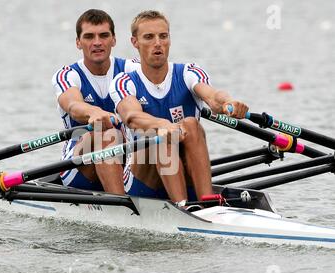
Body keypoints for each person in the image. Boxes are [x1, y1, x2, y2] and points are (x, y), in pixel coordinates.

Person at [110, 10, 248, 205]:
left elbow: (213, 96)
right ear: (135, 42)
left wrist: (228, 103)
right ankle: (182, 207)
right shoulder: (124, 81)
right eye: (149, 37)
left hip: (184, 170)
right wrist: (163, 125)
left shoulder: (188, 73)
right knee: (159, 135)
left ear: (169, 39)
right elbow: (132, 116)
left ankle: (208, 203)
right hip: (143, 181)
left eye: (163, 36)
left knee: (191, 124)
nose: (158, 43)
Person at [52, 9, 139, 194]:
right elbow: (74, 106)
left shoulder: (131, 68)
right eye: (89, 36)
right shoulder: (68, 75)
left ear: (113, 40)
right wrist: (94, 113)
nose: (97, 42)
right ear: (78, 42)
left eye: (104, 35)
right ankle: (120, 208)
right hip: (78, 166)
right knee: (107, 135)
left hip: (126, 155)